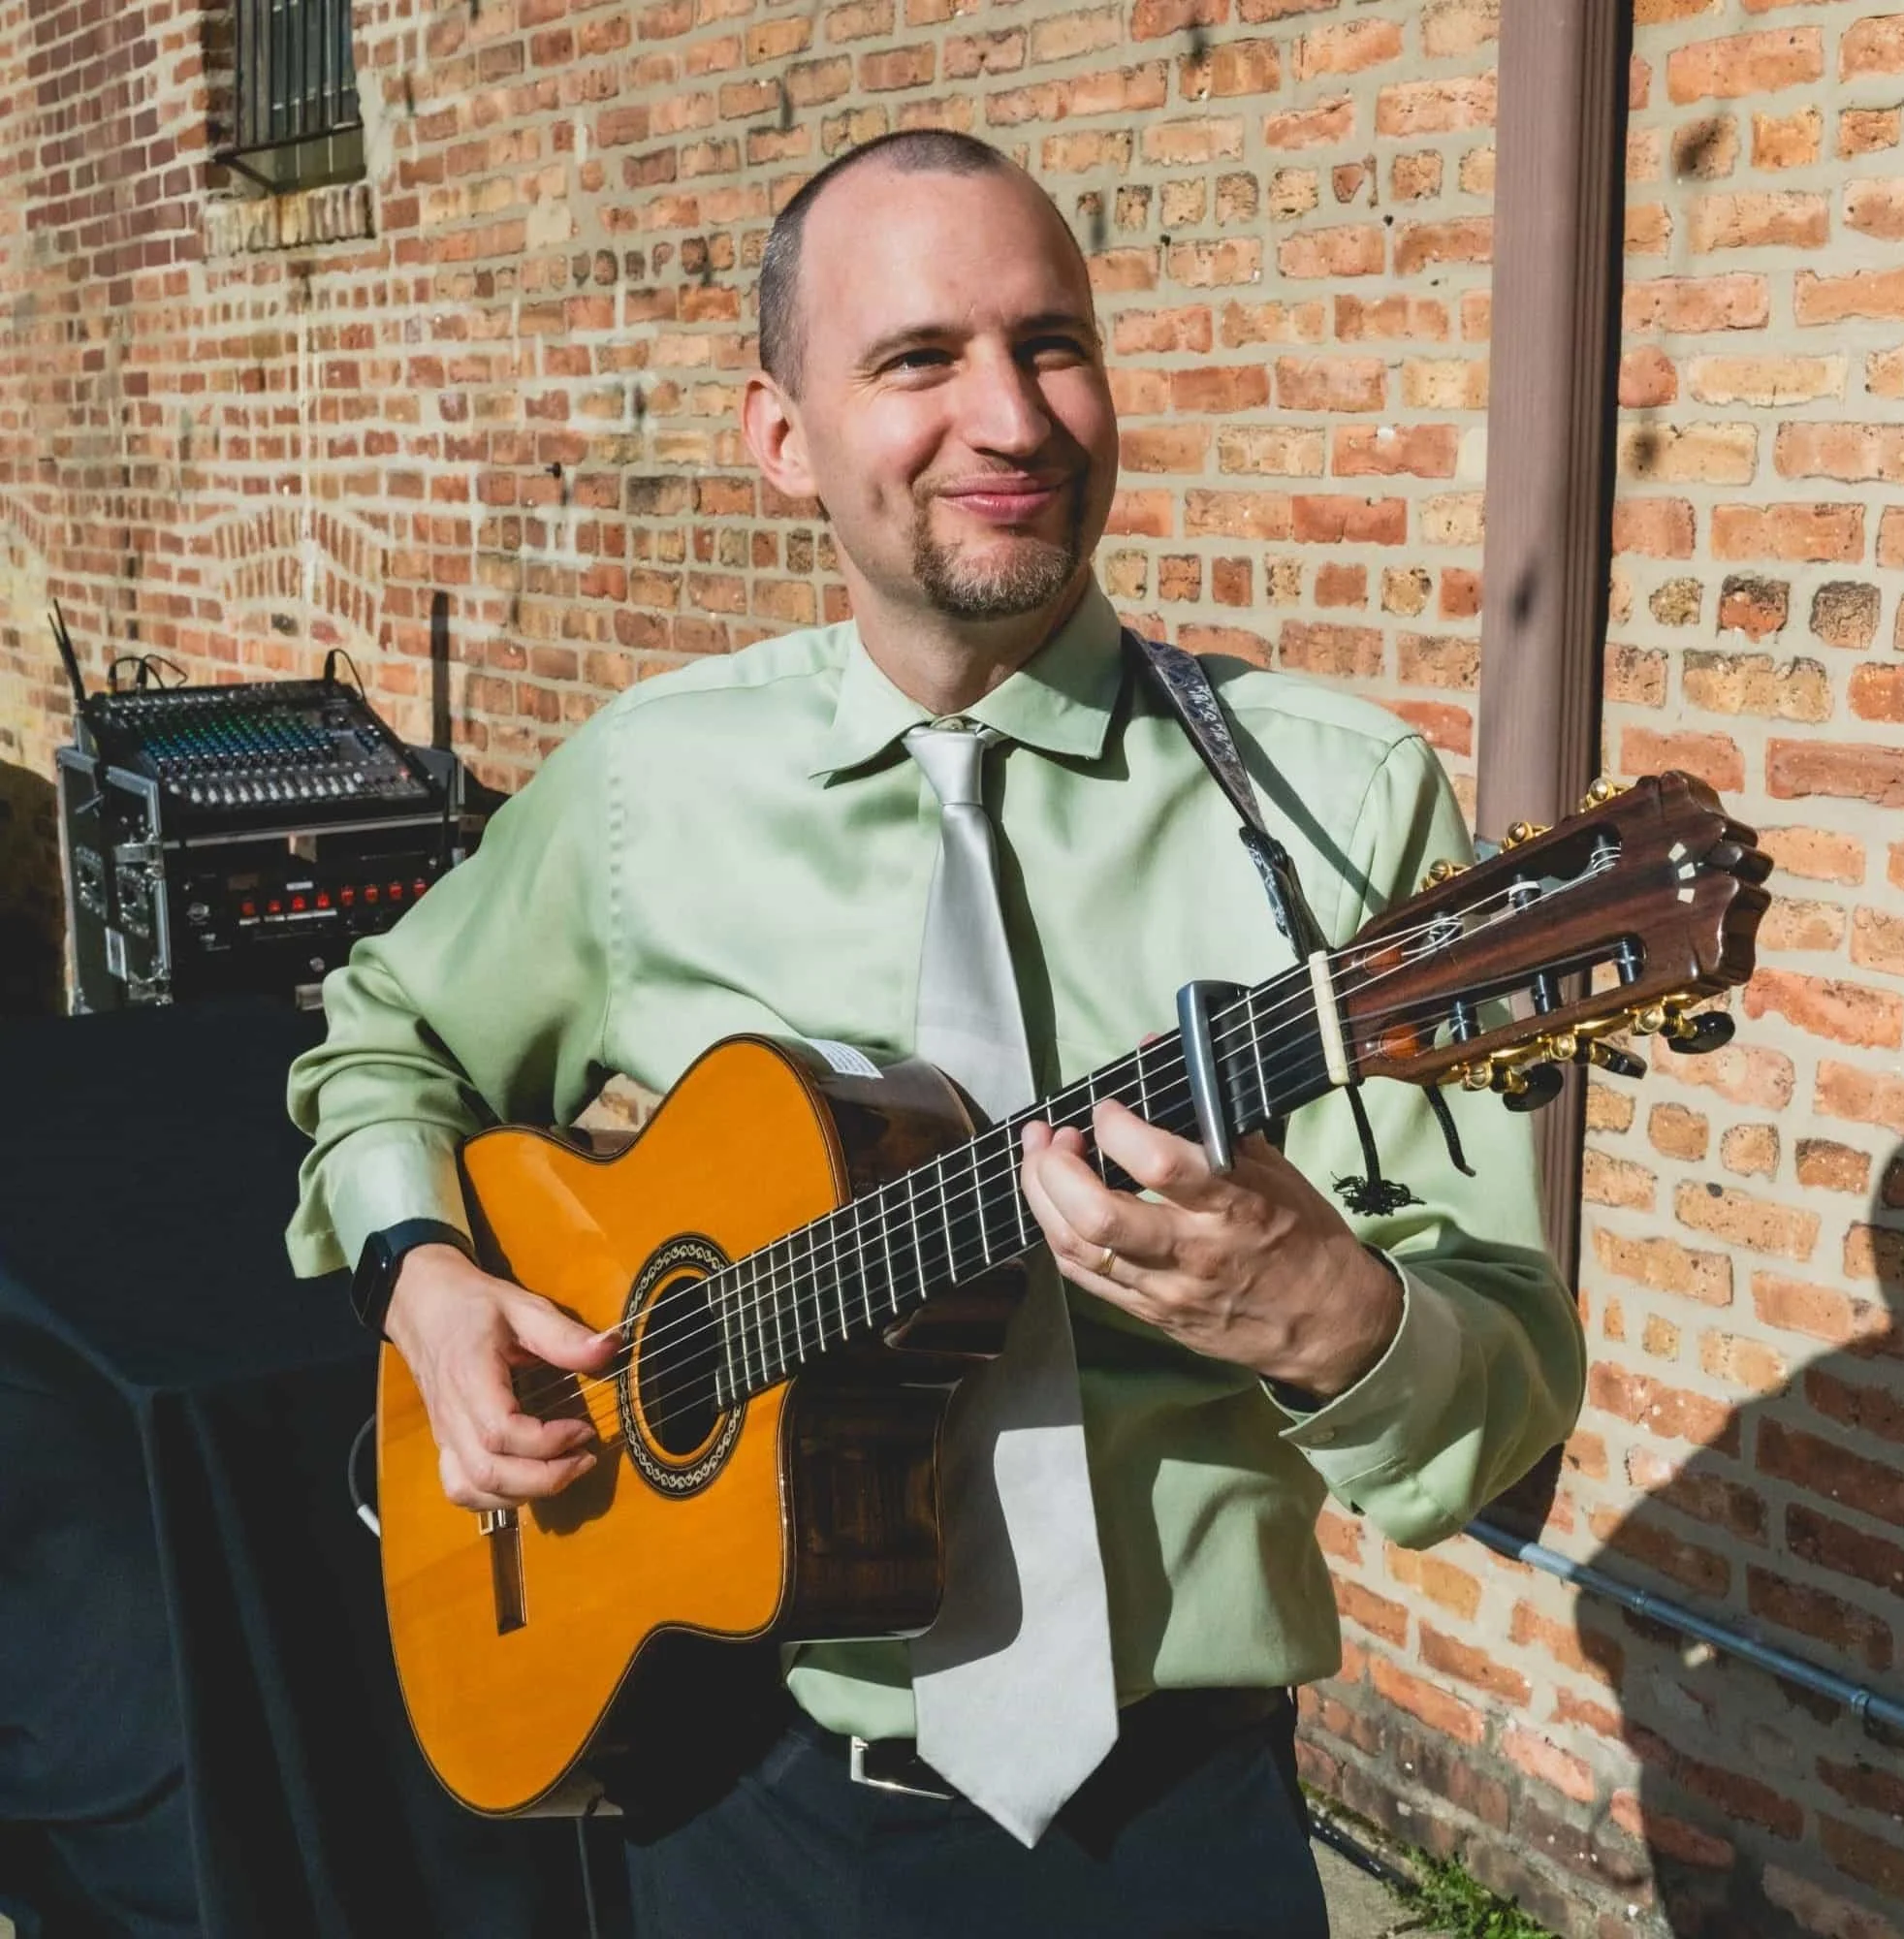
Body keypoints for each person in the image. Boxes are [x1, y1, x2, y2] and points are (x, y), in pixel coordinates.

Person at [286, 130, 1585, 1936]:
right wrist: (421, 1274)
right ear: (780, 436)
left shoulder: (1336, 806)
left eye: (1054, 346)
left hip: (1171, 1819)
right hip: (736, 1784)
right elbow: (385, 1035)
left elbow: (1510, 1385)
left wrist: (1339, 1321)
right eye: (920, 359)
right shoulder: (651, 789)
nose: (1013, 419)